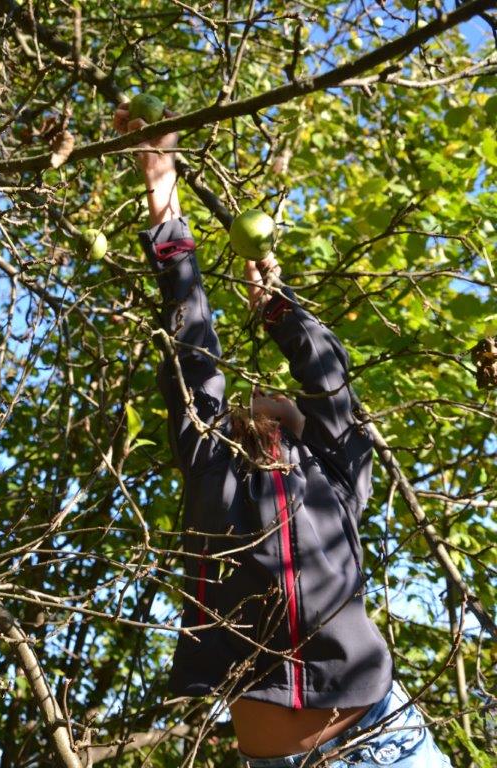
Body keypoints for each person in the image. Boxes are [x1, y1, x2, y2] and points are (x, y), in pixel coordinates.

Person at [113, 104, 453, 768]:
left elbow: (329, 379)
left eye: (284, 395)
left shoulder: (336, 474)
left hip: (387, 738)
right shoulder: (213, 463)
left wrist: (277, 306)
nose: (265, 390)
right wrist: (162, 193)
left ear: (304, 422)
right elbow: (190, 343)